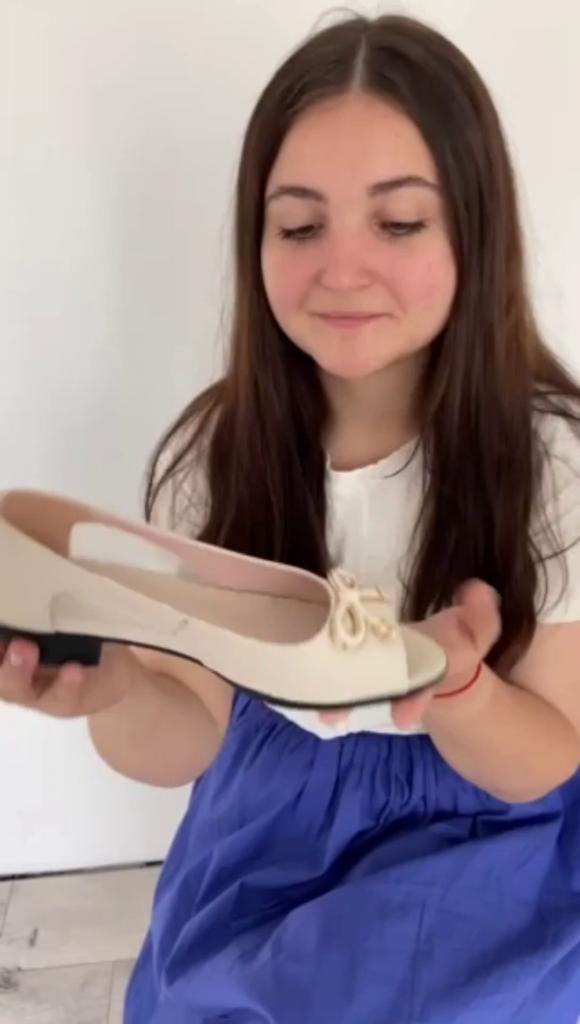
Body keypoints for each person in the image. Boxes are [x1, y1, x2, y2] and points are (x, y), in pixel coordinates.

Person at [2, 12, 580, 1023]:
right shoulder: (216, 457)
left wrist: (458, 689)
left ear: (474, 230)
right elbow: (187, 739)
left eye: (398, 223)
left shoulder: (548, 459)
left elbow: (546, 758)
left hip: (488, 837)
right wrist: (115, 690)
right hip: (269, 835)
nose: (342, 269)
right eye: (300, 227)